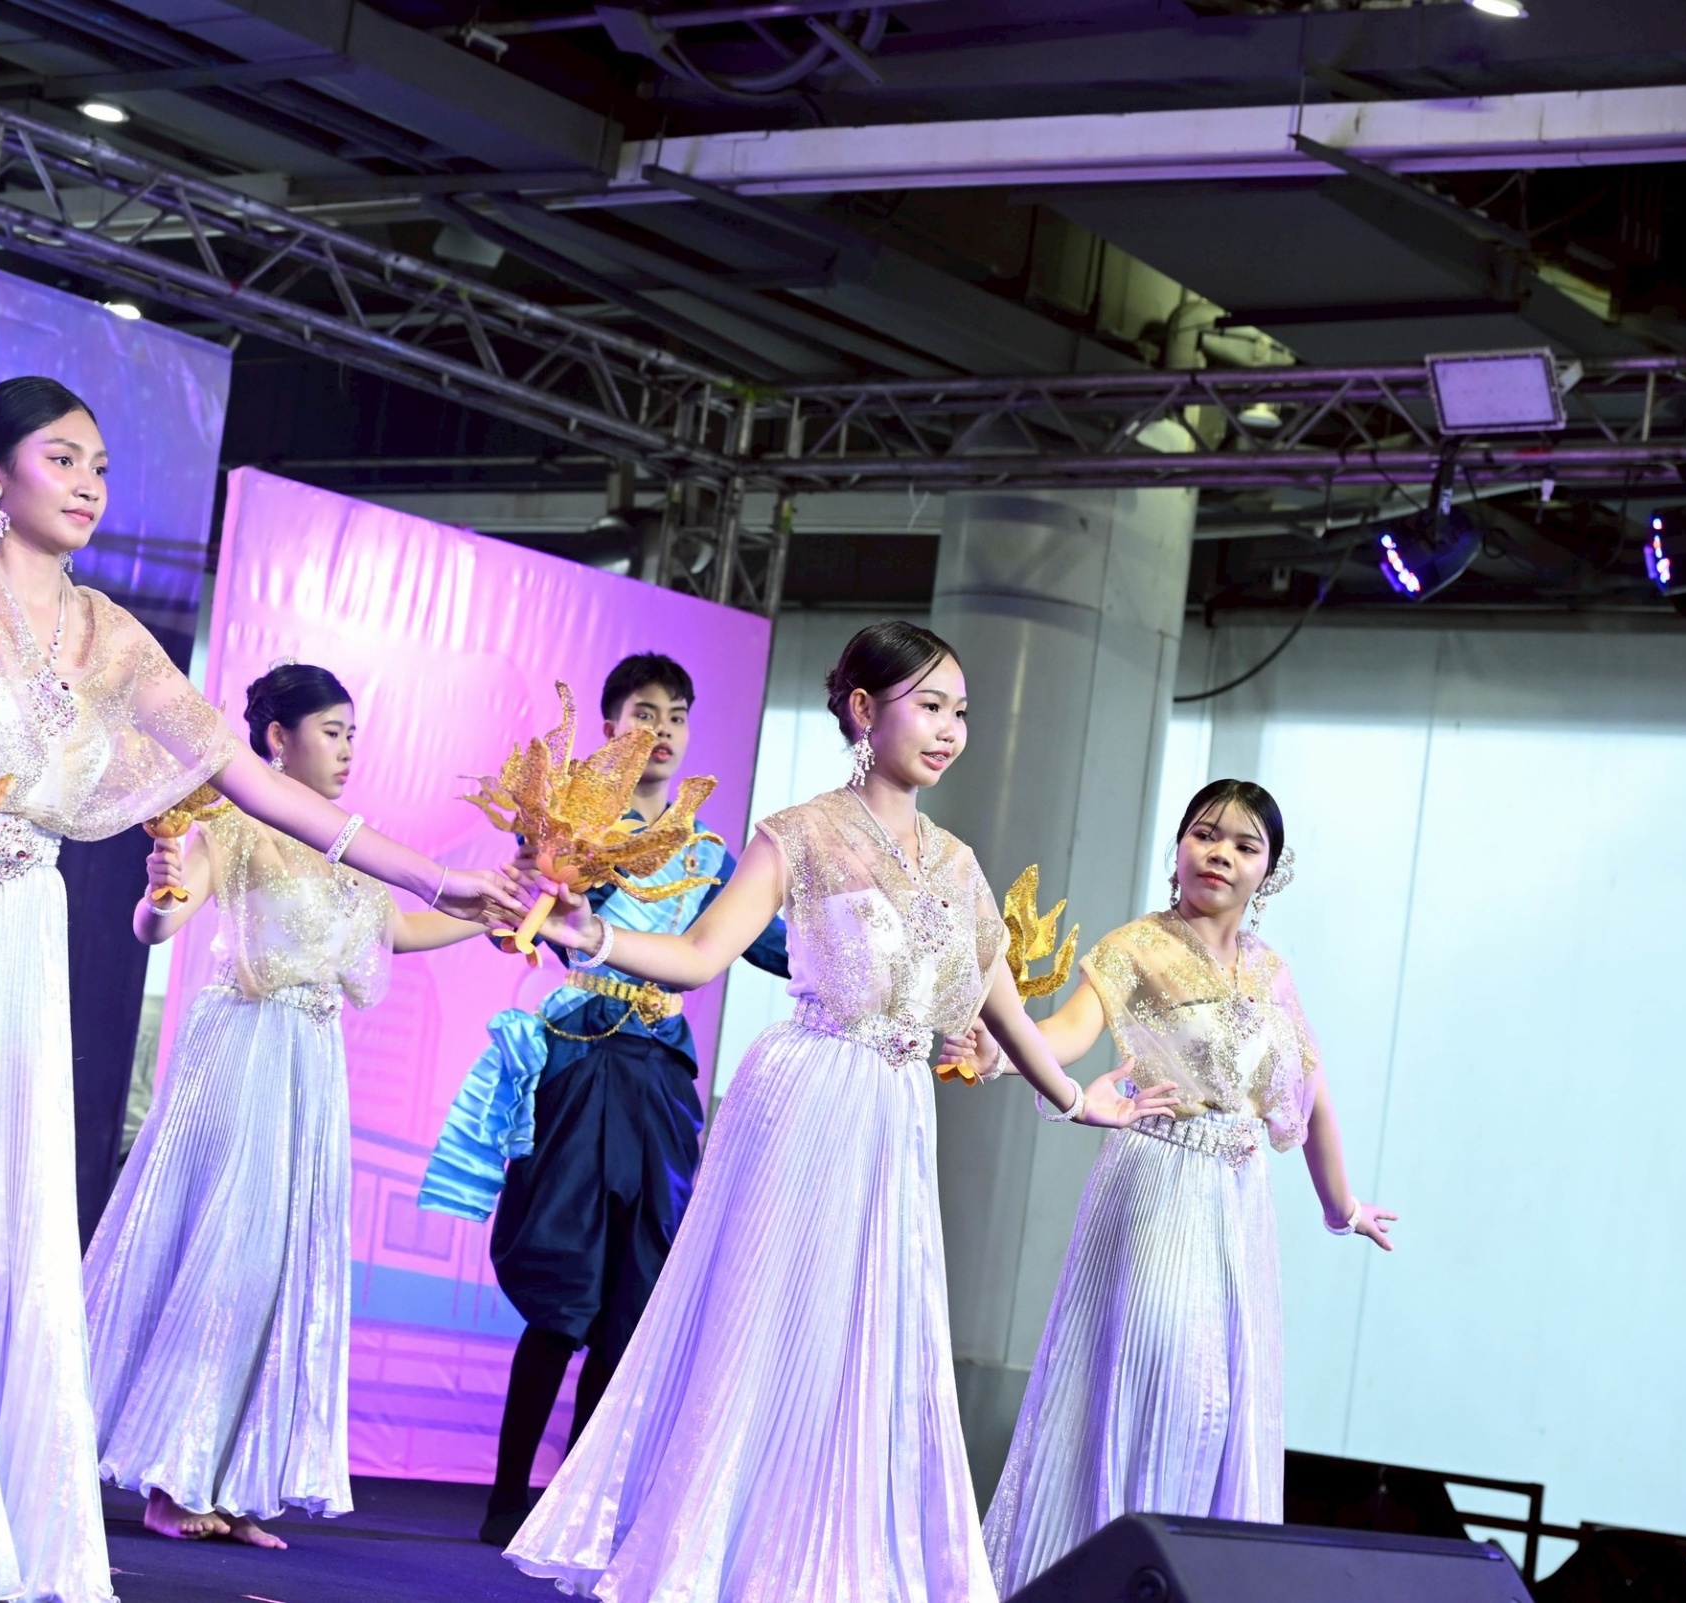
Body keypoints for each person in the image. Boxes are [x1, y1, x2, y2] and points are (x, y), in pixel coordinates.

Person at [0, 377, 521, 1603]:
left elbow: (251, 780)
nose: (89, 483)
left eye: (99, 464)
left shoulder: (111, 637)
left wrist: (438, 875)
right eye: (62, 458)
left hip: (19, 933)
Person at [503, 621, 1179, 1603]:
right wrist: (592, 934)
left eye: (960, 712)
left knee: (866, 1337)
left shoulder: (958, 863)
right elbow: (698, 956)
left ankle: (814, 1563)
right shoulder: (800, 832)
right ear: (865, 709)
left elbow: (1004, 1009)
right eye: (929, 705)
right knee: (767, 1323)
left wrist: (1077, 1099)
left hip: (895, 1115)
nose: (949, 730)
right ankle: (710, 1555)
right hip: (804, 1096)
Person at [83, 662, 493, 1549]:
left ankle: (226, 1480)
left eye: (352, 734)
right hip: (243, 1049)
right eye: (332, 731)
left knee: (276, 1268)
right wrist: (159, 885)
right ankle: (171, 1478)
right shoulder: (230, 822)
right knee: (225, 1253)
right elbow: (157, 924)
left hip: (310, 1060)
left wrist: (498, 906)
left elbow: (401, 929)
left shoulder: (348, 844)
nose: (347, 749)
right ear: (278, 736)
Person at [975, 779, 1397, 1592]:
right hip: (1156, 1183)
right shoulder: (1135, 946)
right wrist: (1000, 1047)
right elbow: (1065, 1034)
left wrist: (1341, 1206)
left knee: (1219, 1406)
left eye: (1244, 844)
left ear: (1269, 870)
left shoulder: (1271, 972)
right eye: (1205, 834)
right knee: (1153, 1382)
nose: (1220, 854)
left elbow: (1312, 1095)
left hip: (1238, 1208)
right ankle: (1110, 1575)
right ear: (1177, 848)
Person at [419, 654, 791, 1547]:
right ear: (610, 724)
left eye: (677, 716)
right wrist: (548, 884)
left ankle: (575, 1503)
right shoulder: (574, 828)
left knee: (633, 1294)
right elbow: (525, 924)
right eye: (643, 713)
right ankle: (507, 1495)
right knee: (566, 1288)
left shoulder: (709, 853)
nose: (661, 731)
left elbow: (775, 947)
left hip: (659, 1079)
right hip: (581, 1062)